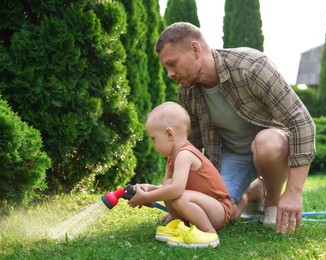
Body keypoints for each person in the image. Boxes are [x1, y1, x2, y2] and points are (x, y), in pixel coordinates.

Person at [154, 22, 316, 234]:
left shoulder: (252, 66)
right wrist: (181, 202)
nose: (169, 74)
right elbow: (187, 147)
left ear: (195, 49)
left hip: (272, 148)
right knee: (218, 215)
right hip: (231, 155)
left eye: (172, 64)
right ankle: (253, 192)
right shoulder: (188, 90)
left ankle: (272, 202)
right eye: (166, 67)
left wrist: (294, 192)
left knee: (266, 143)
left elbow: (301, 121)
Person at [128, 101, 232, 248]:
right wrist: (149, 189)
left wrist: (147, 197)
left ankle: (209, 233)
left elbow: (176, 190)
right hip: (204, 206)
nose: (153, 144)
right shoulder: (172, 157)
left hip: (218, 210)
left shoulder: (185, 154)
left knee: (177, 196)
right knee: (168, 186)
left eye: (154, 139)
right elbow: (168, 187)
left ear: (169, 134)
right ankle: (182, 226)